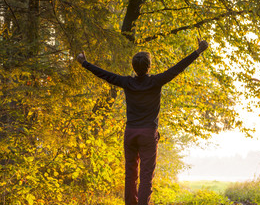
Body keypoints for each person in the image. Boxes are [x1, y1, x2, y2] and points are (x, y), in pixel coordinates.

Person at [77, 38, 209, 205]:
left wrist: (84, 63)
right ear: (149, 66)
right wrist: (197, 52)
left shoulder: (127, 82)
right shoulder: (156, 81)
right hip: (148, 134)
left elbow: (105, 74)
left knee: (130, 175)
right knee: (146, 176)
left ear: (134, 67)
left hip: (131, 133)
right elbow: (177, 68)